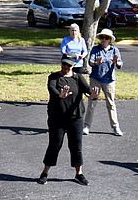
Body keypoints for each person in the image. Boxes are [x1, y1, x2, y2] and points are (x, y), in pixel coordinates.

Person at [36, 54, 100, 186]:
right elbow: (52, 89)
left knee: (76, 146)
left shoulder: (78, 78)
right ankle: (45, 173)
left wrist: (93, 96)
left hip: (75, 117)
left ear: (73, 65)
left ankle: (79, 173)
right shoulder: (54, 77)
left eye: (68, 65)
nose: (65, 67)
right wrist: (60, 94)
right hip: (57, 118)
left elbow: (88, 92)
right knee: (55, 145)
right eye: (63, 64)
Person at [84, 28, 123, 136]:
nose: (104, 40)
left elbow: (120, 63)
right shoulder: (96, 49)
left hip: (109, 81)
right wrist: (96, 63)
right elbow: (91, 62)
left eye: (106, 38)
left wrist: (116, 62)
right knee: (92, 103)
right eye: (102, 37)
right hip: (95, 79)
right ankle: (86, 126)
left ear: (110, 40)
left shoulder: (114, 50)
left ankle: (115, 127)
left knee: (111, 104)